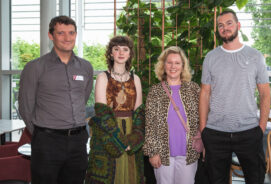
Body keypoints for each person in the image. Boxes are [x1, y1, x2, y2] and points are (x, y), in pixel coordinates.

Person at [18, 15, 93, 184]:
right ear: (51, 36)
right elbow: (26, 107)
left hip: (78, 140)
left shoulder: (85, 67)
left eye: (71, 33)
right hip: (47, 142)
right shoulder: (35, 67)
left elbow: (83, 97)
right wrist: (41, 133)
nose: (67, 38)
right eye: (61, 33)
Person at [199, 10, 271, 184]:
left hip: (249, 132)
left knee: (255, 179)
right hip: (216, 134)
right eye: (220, 25)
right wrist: (203, 130)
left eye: (229, 23)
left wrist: (261, 127)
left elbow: (265, 93)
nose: (225, 28)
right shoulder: (210, 57)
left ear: (238, 25)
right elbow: (204, 94)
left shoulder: (255, 56)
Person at [85, 36, 145, 184]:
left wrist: (134, 138)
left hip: (130, 130)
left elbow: (138, 113)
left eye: (125, 49)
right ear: (111, 53)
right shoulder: (102, 77)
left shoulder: (135, 79)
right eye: (116, 49)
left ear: (130, 54)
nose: (121, 52)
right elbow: (102, 113)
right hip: (108, 132)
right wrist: (120, 141)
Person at [144, 46, 200, 184]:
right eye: (169, 62)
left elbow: (204, 117)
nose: (173, 66)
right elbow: (150, 124)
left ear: (183, 66)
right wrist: (152, 152)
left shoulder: (194, 89)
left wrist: (200, 137)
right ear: (163, 65)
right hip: (162, 155)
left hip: (189, 153)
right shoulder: (155, 91)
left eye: (177, 63)